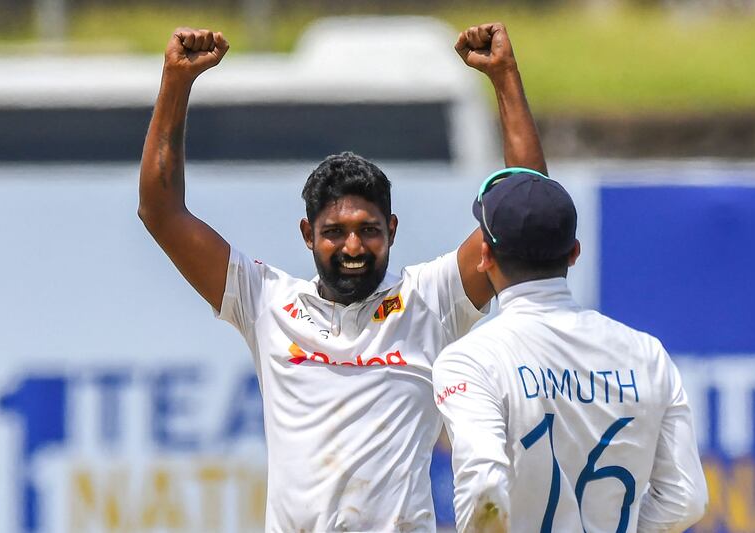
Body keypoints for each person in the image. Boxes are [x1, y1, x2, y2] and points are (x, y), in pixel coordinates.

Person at [138, 22, 545, 531]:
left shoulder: (430, 299)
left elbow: (527, 213)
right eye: (334, 232)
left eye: (368, 230)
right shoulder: (264, 300)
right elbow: (160, 211)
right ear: (307, 234)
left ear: (392, 230)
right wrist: (177, 84)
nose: (352, 247)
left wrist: (504, 77)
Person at [432, 168, 708, 532]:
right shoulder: (646, 353)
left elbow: (485, 489)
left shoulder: (469, 360)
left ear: (484, 255)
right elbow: (686, 498)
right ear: (574, 252)